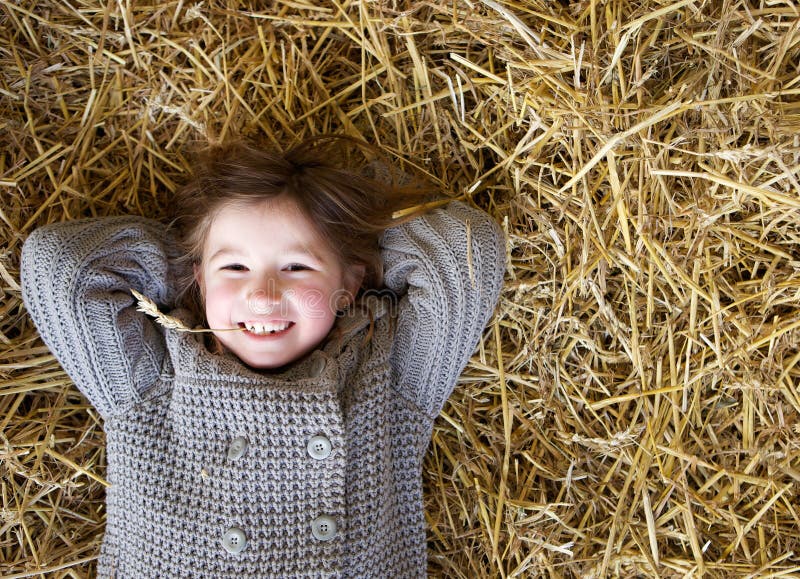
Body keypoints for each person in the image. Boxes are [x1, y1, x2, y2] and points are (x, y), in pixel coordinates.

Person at [20, 137, 505, 577]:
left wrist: (351, 222)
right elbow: (62, 267)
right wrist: (198, 267)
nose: (263, 295)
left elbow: (466, 253)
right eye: (235, 266)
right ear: (199, 278)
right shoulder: (151, 382)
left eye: (296, 266)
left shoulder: (387, 376)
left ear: (351, 284)